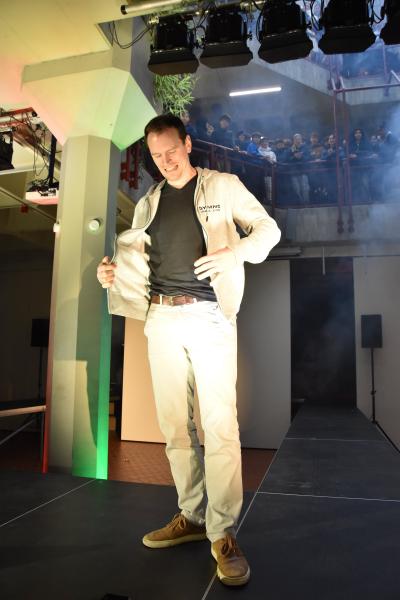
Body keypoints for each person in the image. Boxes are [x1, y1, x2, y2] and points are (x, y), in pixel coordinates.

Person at [97, 114, 281, 587]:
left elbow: (268, 231)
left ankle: (223, 533)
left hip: (209, 316)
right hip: (160, 319)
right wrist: (111, 274)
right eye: (157, 156)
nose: (166, 161)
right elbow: (137, 260)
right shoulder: (149, 201)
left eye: (172, 151)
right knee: (175, 427)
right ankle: (193, 515)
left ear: (188, 144)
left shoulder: (223, 185)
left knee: (219, 425)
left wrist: (233, 252)